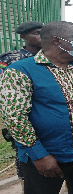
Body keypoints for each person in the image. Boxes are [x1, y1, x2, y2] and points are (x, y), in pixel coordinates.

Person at [0, 21, 73, 194]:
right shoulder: (20, 70)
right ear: (57, 41)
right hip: (48, 156)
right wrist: (39, 155)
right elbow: (15, 118)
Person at [0, 21, 43, 187]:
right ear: (23, 36)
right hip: (23, 118)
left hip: (49, 118)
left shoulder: (53, 58)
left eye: (43, 33)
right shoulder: (10, 59)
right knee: (27, 163)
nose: (40, 37)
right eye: (36, 33)